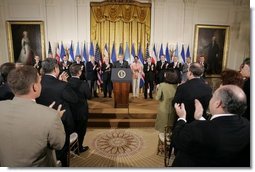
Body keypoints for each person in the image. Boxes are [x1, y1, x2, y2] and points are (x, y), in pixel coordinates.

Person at [0, 66, 65, 166]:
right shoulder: (51, 116)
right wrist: (53, 118)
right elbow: (59, 144)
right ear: (35, 87)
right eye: (40, 81)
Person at [172, 85, 250, 167]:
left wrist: (182, 117)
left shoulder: (197, 128)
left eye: (212, 96)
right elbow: (220, 129)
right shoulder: (248, 125)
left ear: (218, 103)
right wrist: (199, 117)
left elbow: (176, 139)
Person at [36, 58, 78, 167]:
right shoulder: (62, 85)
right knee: (62, 151)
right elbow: (74, 99)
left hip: (41, 121)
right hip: (61, 123)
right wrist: (65, 83)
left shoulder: (37, 83)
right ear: (55, 69)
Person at [68, 64, 91, 153]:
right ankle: (79, 148)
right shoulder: (83, 84)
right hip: (81, 111)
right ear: (79, 73)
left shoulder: (66, 83)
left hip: (70, 110)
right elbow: (89, 96)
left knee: (72, 129)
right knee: (81, 130)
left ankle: (71, 147)